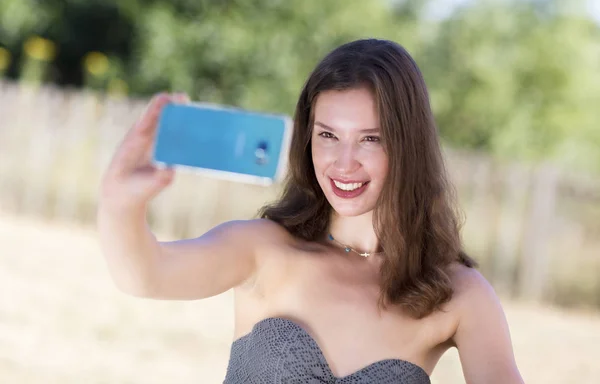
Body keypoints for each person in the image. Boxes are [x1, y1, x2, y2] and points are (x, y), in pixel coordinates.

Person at [97, 39, 524, 383]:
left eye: (370, 139)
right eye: (328, 135)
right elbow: (145, 275)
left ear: (408, 145)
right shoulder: (264, 248)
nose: (343, 163)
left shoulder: (459, 295)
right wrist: (120, 203)